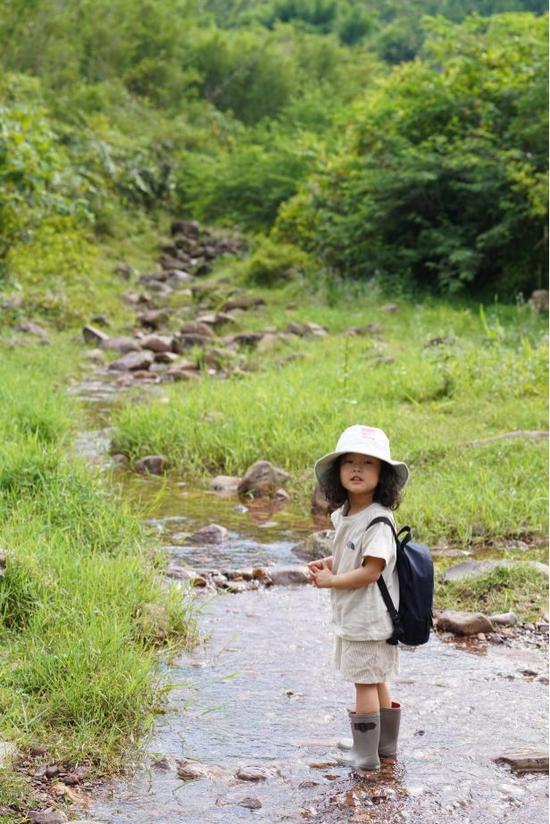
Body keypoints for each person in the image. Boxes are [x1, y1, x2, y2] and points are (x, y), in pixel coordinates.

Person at [308, 424, 409, 770]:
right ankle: (385, 746)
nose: (356, 469)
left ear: (383, 475)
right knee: (377, 677)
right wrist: (332, 563)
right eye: (349, 461)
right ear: (337, 473)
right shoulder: (349, 515)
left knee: (365, 682)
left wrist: (331, 581)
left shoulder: (378, 521)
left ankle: (365, 756)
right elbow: (356, 556)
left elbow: (371, 571)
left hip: (369, 619)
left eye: (368, 463)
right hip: (363, 617)